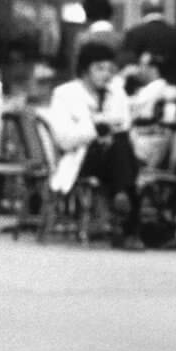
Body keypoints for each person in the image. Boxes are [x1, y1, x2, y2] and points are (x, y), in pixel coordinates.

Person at [45, 39, 144, 249]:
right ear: (84, 69)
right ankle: (127, 225)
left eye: (109, 69)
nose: (106, 74)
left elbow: (125, 126)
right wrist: (96, 128)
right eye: (99, 68)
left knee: (120, 144)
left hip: (114, 157)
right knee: (122, 153)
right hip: (81, 158)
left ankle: (121, 196)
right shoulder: (65, 94)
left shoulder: (116, 93)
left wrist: (112, 130)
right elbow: (64, 139)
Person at [122, 0, 176, 89]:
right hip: (173, 91)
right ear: (163, 9)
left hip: (141, 91)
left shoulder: (134, 34)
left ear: (142, 10)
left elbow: (128, 67)